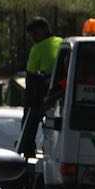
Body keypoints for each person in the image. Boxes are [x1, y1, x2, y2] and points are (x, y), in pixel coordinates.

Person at [17, 17, 63, 158]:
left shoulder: (37, 49)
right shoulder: (62, 42)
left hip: (48, 90)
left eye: (35, 34)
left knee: (30, 118)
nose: (33, 38)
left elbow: (30, 77)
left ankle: (27, 148)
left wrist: (29, 100)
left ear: (44, 30)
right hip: (63, 90)